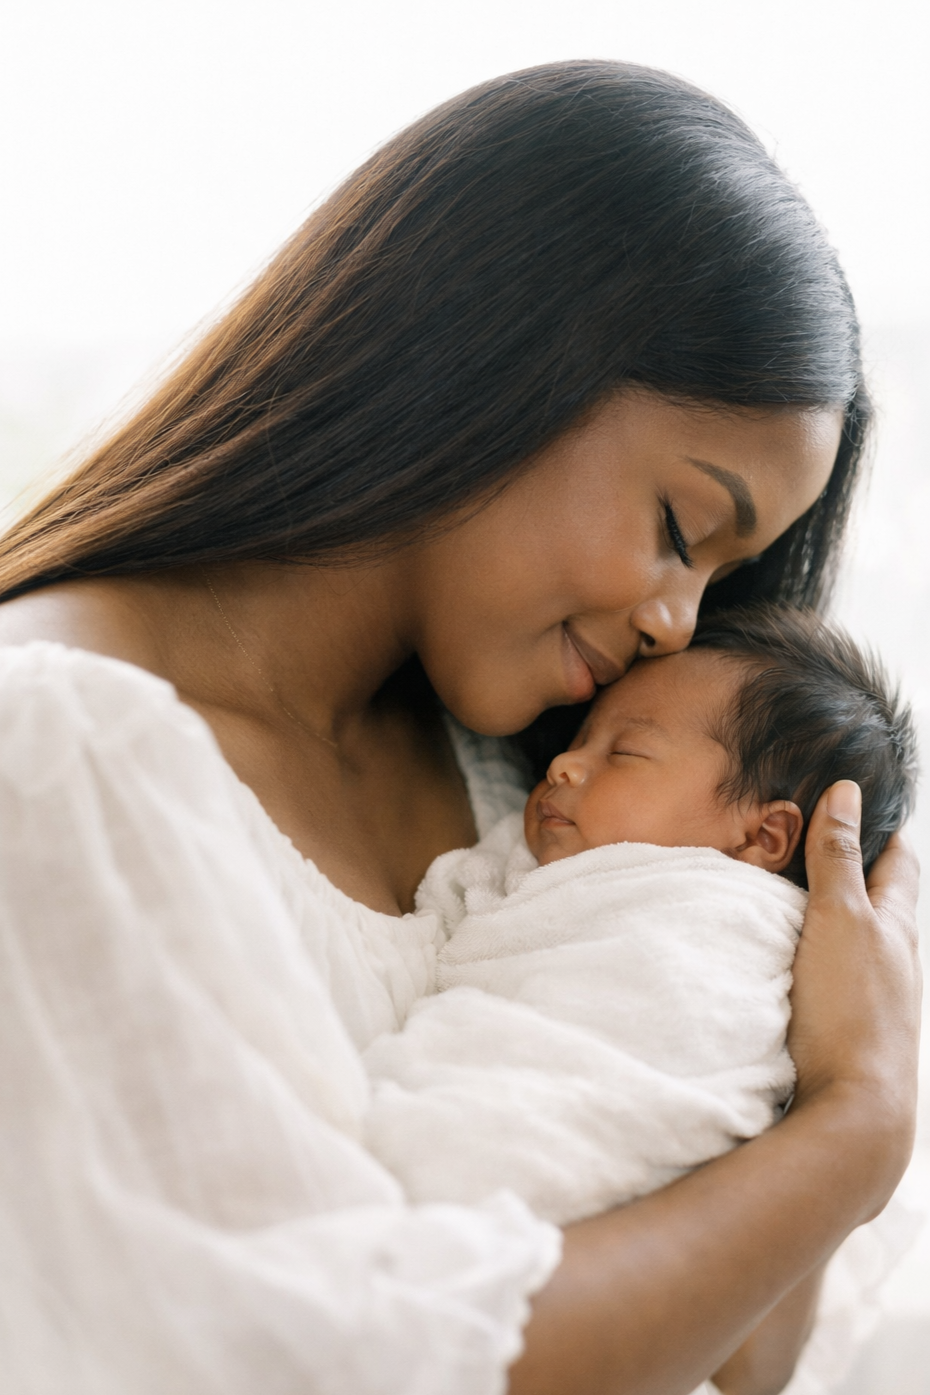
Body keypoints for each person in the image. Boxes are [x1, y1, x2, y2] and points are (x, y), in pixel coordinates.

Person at [0, 59, 919, 1395]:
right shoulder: (62, 755)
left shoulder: (543, 787)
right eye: (679, 526)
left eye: (719, 581)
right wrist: (858, 1119)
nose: (677, 623)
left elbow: (753, 1347)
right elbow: (357, 1365)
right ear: (495, 348)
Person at [364, 604, 917, 1237]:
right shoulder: (541, 852)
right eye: (580, 740)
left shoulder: (724, 925)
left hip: (579, 1191)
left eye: (625, 752)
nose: (563, 766)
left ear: (764, 835)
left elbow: (664, 1037)